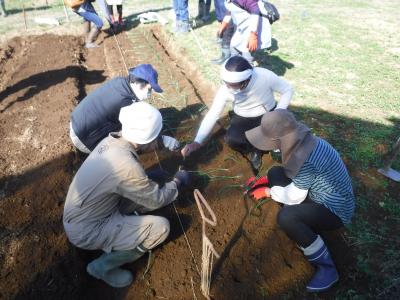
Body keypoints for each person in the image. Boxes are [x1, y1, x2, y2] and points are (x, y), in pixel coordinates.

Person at [63, 102, 190, 288]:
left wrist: (147, 178)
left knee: (145, 190)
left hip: (88, 212)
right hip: (88, 230)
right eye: (155, 139)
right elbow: (156, 199)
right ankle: (102, 267)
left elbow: (124, 181)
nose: (157, 143)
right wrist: (177, 182)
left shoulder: (112, 141)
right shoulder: (126, 165)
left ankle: (125, 225)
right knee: (160, 228)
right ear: (144, 140)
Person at [244, 109, 355, 292]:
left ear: (278, 141)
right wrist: (265, 180)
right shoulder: (307, 143)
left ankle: (327, 268)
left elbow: (295, 196)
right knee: (275, 172)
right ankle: (301, 218)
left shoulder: (305, 159)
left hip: (336, 209)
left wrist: (267, 191)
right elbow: (295, 176)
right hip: (320, 192)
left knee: (286, 217)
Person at [181, 55, 293, 170]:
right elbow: (213, 114)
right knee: (232, 139)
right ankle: (254, 150)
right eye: (226, 83)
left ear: (246, 80)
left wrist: (278, 113)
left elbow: (287, 89)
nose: (228, 87)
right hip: (243, 117)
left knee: (280, 135)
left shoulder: (264, 76)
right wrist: (197, 141)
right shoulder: (225, 90)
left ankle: (266, 147)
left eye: (232, 85)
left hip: (268, 113)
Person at [70, 64, 180, 154]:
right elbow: (138, 132)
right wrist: (164, 141)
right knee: (132, 142)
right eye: (150, 89)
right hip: (85, 139)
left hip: (76, 123)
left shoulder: (121, 82)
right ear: (140, 84)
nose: (150, 94)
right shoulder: (125, 102)